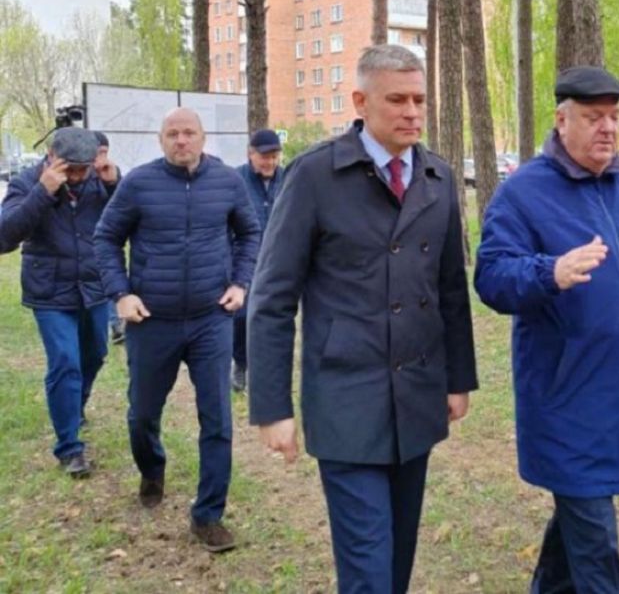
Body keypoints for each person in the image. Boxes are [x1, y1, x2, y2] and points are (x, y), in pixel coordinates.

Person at [248, 44, 478, 594]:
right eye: (397, 100)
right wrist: (272, 407)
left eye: (418, 99)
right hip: (346, 399)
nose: (412, 112)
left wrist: (458, 379)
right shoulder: (315, 176)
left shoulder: (438, 178)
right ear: (360, 101)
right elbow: (272, 297)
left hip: (416, 397)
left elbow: (450, 289)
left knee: (397, 560)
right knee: (368, 569)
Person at [474, 66, 619, 593]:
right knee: (597, 547)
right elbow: (490, 277)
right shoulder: (523, 193)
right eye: (593, 117)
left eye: (614, 116)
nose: (608, 127)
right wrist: (549, 273)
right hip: (565, 399)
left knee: (578, 522)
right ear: (562, 121)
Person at [93, 108, 260, 553]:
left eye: (189, 133)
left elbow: (250, 233)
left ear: (203, 138)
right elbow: (105, 238)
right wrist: (120, 294)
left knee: (217, 419)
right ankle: (152, 468)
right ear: (161, 140)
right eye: (172, 133)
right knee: (142, 413)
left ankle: (209, 515)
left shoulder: (227, 182)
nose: (181, 140)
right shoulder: (138, 184)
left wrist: (241, 282)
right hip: (152, 320)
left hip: (210, 319)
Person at [0, 127, 120, 478]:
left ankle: (73, 406)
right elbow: (5, 237)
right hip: (50, 291)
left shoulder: (99, 180)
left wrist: (115, 185)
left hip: (93, 286)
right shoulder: (26, 182)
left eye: (85, 168)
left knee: (95, 355)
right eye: (72, 169)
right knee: (65, 361)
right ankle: (69, 447)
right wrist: (43, 192)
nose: (79, 176)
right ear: (52, 157)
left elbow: (130, 220)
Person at [230, 128, 285, 393]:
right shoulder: (236, 180)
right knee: (241, 316)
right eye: (264, 156)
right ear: (250, 154)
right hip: (244, 259)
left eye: (274, 156)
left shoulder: (288, 179)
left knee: (272, 317)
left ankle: (267, 368)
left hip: (278, 259)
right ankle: (241, 363)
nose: (270, 162)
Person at [93, 131, 126, 346]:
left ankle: (116, 323)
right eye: (98, 152)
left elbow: (122, 206)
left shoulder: (111, 173)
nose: (102, 157)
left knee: (110, 279)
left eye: (105, 152)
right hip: (86, 242)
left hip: (106, 240)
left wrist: (113, 182)